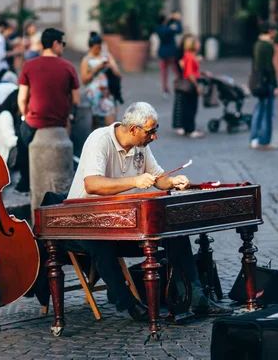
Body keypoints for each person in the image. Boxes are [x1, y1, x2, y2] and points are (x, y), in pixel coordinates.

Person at [66, 102, 231, 319]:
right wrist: (135, 180)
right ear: (133, 129)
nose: (154, 137)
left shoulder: (141, 146)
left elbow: (158, 178)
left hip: (120, 219)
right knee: (100, 245)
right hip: (83, 220)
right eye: (151, 131)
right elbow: (92, 184)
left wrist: (173, 181)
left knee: (175, 232)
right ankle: (130, 304)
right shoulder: (100, 140)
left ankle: (196, 296)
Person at [15, 28, 80, 194]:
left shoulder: (29, 65)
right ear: (56, 43)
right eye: (63, 44)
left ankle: (24, 183)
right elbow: (76, 99)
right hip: (60, 121)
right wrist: (70, 115)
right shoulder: (68, 67)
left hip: (34, 122)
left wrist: (25, 114)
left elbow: (22, 98)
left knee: (21, 144)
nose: (63, 47)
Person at [80, 32, 120, 129]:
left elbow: (118, 74)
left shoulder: (107, 56)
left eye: (99, 47)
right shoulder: (87, 59)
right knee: (96, 122)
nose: (98, 50)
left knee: (111, 122)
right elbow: (84, 80)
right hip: (93, 94)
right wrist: (96, 69)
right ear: (91, 47)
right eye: (96, 48)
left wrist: (110, 66)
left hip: (106, 93)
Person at [249, 22, 278, 150]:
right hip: (265, 81)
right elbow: (269, 67)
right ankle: (264, 141)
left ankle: (254, 138)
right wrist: (275, 84)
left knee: (259, 110)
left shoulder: (257, 44)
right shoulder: (267, 46)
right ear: (270, 31)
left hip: (257, 80)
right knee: (267, 112)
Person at [178, 35, 205, 138]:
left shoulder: (188, 55)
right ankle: (190, 129)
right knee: (191, 107)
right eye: (197, 43)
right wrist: (197, 86)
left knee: (188, 106)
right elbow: (189, 73)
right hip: (191, 84)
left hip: (189, 82)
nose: (199, 44)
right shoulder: (190, 56)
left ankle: (187, 128)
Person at [155, 12, 182, 97]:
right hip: (171, 52)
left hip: (162, 52)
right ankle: (180, 86)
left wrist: (171, 18)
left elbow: (167, 24)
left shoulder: (158, 28)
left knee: (164, 72)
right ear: (164, 20)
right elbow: (179, 30)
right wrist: (177, 20)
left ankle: (165, 89)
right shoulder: (168, 29)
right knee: (175, 70)